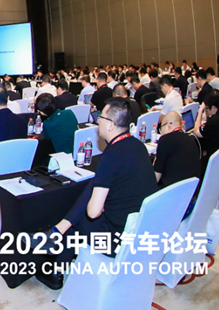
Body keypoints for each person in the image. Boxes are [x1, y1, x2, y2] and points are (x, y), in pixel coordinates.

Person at [26, 99, 158, 289]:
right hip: (140, 229)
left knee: (79, 220)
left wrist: (98, 203)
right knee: (92, 186)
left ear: (111, 125)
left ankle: (55, 272)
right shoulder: (137, 146)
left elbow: (93, 212)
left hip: (116, 241)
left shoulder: (110, 156)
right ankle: (56, 232)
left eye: (101, 117)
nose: (97, 121)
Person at [154, 111, 201, 191]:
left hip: (172, 192)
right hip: (192, 190)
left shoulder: (165, 140)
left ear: (168, 125)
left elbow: (155, 178)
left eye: (161, 128)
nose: (161, 133)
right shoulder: (191, 139)